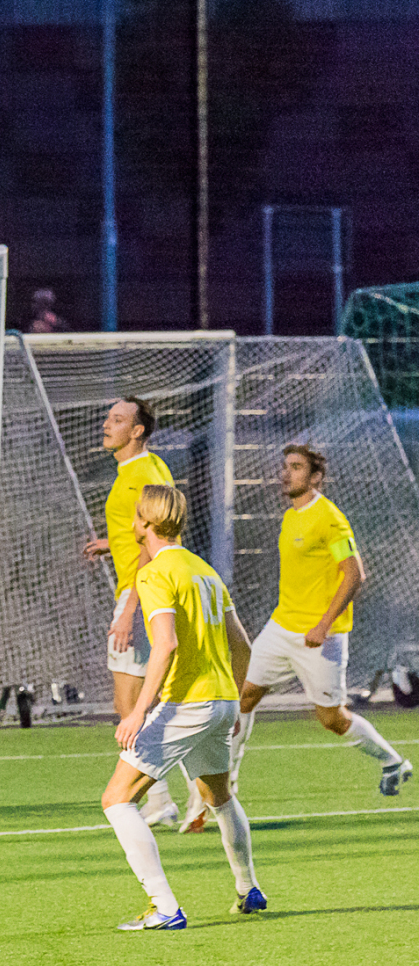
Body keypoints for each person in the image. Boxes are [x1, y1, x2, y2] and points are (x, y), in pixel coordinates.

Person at [211, 445, 409, 823]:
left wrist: (323, 624)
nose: (286, 473)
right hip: (281, 626)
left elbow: (354, 574)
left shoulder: (329, 519)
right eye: (285, 466)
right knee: (243, 697)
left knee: (333, 720)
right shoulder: (290, 516)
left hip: (320, 637)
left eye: (297, 467)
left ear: (315, 477)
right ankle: (226, 790)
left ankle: (393, 762)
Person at [100, 484, 265, 930]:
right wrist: (232, 702)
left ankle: (165, 907)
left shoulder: (154, 573)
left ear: (146, 523)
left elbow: (166, 643)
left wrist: (138, 712)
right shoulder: (204, 571)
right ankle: (248, 888)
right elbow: (243, 646)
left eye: (136, 514)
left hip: (187, 703)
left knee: (117, 799)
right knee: (219, 797)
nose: (132, 521)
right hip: (221, 701)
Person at [81, 395, 191, 828]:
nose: (106, 424)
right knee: (143, 701)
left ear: (138, 430)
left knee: (132, 705)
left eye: (117, 419)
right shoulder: (142, 468)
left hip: (142, 592)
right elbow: (149, 530)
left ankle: (169, 797)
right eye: (108, 417)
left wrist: (128, 609)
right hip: (146, 588)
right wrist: (112, 544)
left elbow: (158, 540)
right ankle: (178, 795)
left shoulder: (144, 474)